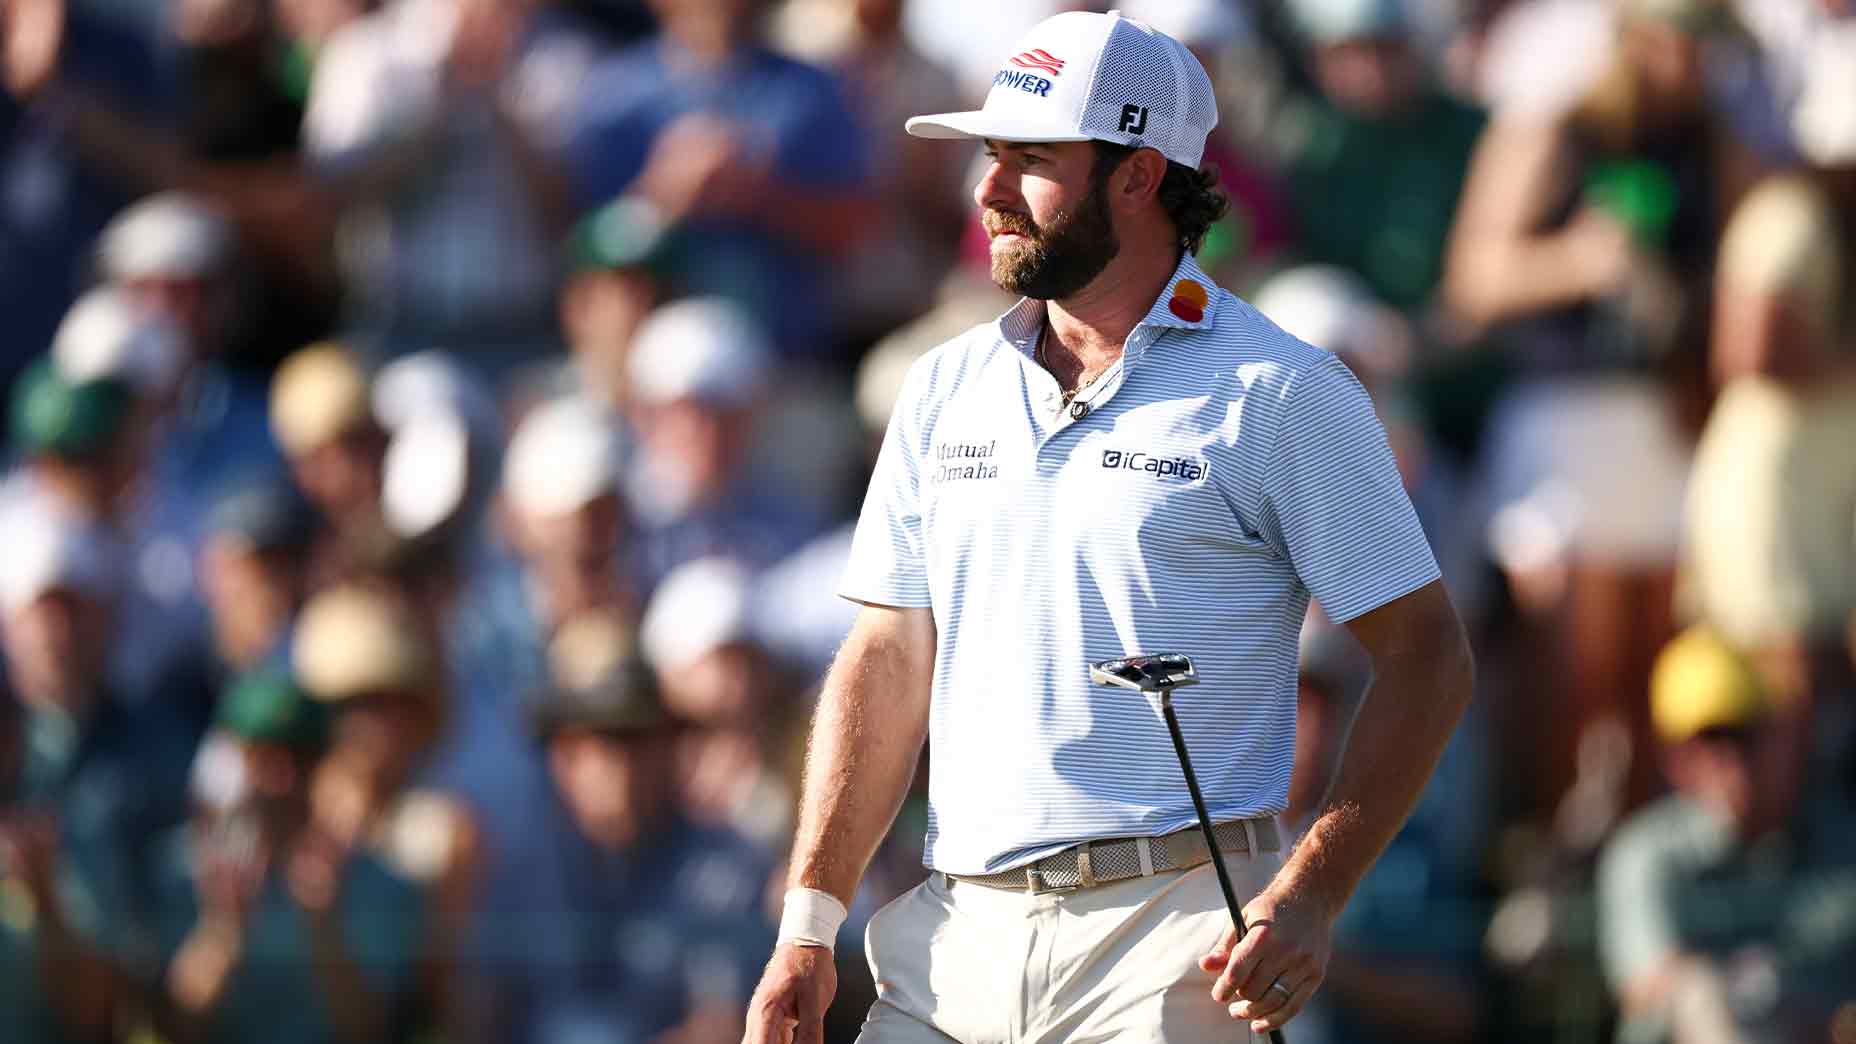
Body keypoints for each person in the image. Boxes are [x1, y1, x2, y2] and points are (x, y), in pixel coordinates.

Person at [742, 12, 1474, 1042]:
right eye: (989, 158)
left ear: (1137, 175)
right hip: (952, 937)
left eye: (1028, 160)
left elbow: (1425, 654)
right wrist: (807, 925)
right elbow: (885, 655)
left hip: (1176, 944)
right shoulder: (941, 385)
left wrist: (1312, 891)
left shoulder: (1280, 391)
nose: (986, 192)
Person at [487, 611, 774, 1043]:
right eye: (603, 738)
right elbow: (476, 1017)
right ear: (562, 756)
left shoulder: (725, 869)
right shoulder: (512, 866)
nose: (623, 765)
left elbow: (724, 1028)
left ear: (667, 744)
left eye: (638, 736)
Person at [1597, 627, 1856, 1044]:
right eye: (1708, 739)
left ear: (1781, 737)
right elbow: (1649, 986)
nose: (1730, 761)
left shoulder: (1837, 840)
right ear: (1673, 759)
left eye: (1745, 734)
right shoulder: (1646, 854)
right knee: (1699, 997)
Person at [149, 670, 428, 1044]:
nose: (282, 780)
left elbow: (371, 1033)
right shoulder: (178, 871)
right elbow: (173, 1029)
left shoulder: (380, 883)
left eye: (302, 759)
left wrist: (325, 929)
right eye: (263, 758)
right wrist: (222, 936)